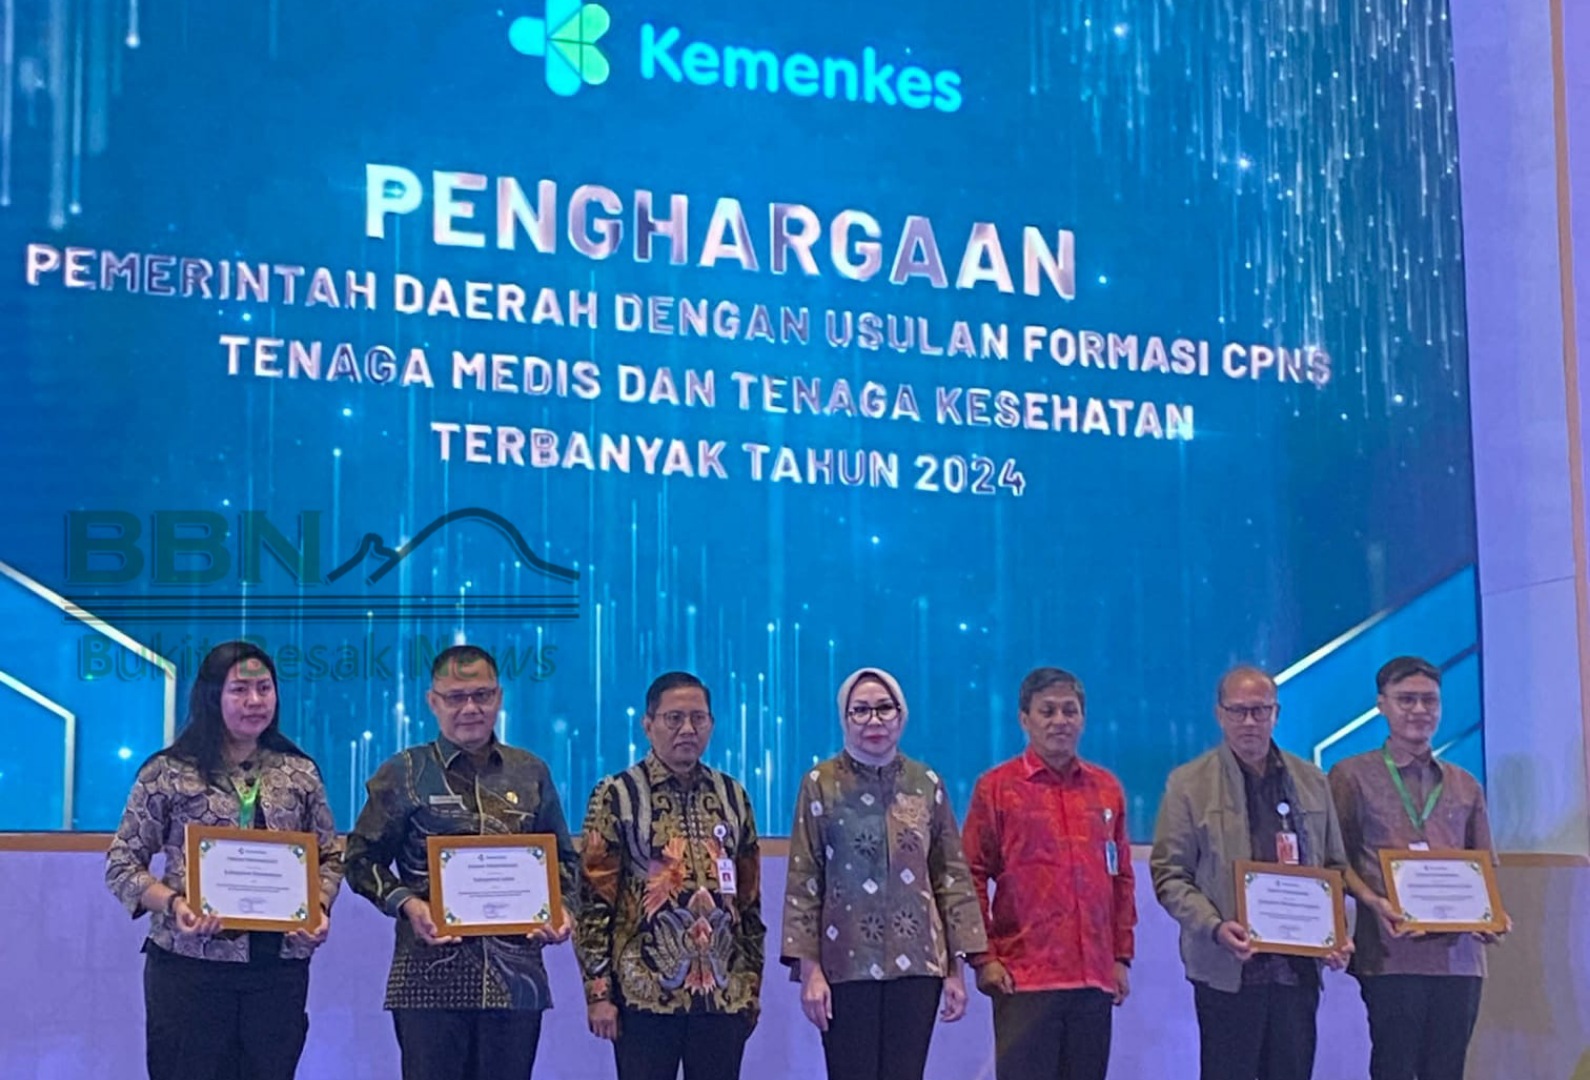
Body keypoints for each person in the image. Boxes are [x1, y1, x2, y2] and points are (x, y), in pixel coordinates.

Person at [105, 640, 342, 1080]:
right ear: (212, 696)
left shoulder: (300, 772)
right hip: (189, 969)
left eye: (264, 688)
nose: (255, 701)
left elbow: (329, 855)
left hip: (277, 971)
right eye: (239, 690)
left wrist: (319, 908)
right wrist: (174, 904)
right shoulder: (167, 772)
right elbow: (121, 864)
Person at [343, 644, 579, 1080]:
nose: (470, 708)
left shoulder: (531, 772)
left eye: (482, 695)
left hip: (516, 983)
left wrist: (563, 911)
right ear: (433, 702)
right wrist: (408, 904)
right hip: (428, 983)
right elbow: (359, 860)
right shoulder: (404, 772)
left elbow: (565, 861)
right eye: (455, 697)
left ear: (499, 697)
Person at [782, 667, 988, 1080]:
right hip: (844, 964)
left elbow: (949, 875)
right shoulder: (820, 783)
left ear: (901, 714)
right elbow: (804, 880)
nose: (873, 721)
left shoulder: (926, 782)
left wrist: (956, 970)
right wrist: (810, 971)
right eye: (860, 710)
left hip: (918, 966)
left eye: (884, 709)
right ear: (845, 717)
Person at [1150, 665, 1352, 1080]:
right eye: (1238, 711)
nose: (1249, 722)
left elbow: (1334, 868)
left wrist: (1336, 933)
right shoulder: (1188, 784)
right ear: (1219, 714)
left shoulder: (1313, 781)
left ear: (1276, 713)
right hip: (1228, 969)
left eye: (1259, 710)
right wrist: (1215, 926)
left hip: (1297, 972)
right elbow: (1170, 875)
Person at [574, 671, 765, 1080]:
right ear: (648, 725)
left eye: (698, 718)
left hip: (723, 996)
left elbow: (749, 901)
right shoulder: (616, 794)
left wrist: (751, 985)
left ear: (711, 724)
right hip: (643, 995)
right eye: (674, 718)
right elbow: (592, 902)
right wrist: (598, 992)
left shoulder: (733, 796)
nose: (687, 729)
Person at [1328, 656, 1508, 1080]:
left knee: (1447, 1070)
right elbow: (1335, 861)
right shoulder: (1351, 775)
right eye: (1406, 700)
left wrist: (1492, 917)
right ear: (1382, 705)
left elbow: (1483, 867)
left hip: (1460, 959)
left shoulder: (1465, 783)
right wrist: (1374, 902)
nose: (1419, 710)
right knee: (1394, 1067)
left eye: (1430, 701)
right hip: (1391, 954)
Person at [963, 667, 1137, 1080]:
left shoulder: (1106, 789)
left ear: (1083, 719)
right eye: (1048, 711)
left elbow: (1121, 878)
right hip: (1023, 979)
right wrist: (983, 958)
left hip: (1093, 977)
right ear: (1024, 719)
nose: (1060, 721)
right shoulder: (996, 788)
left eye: (1069, 711)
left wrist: (1120, 957)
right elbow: (970, 875)